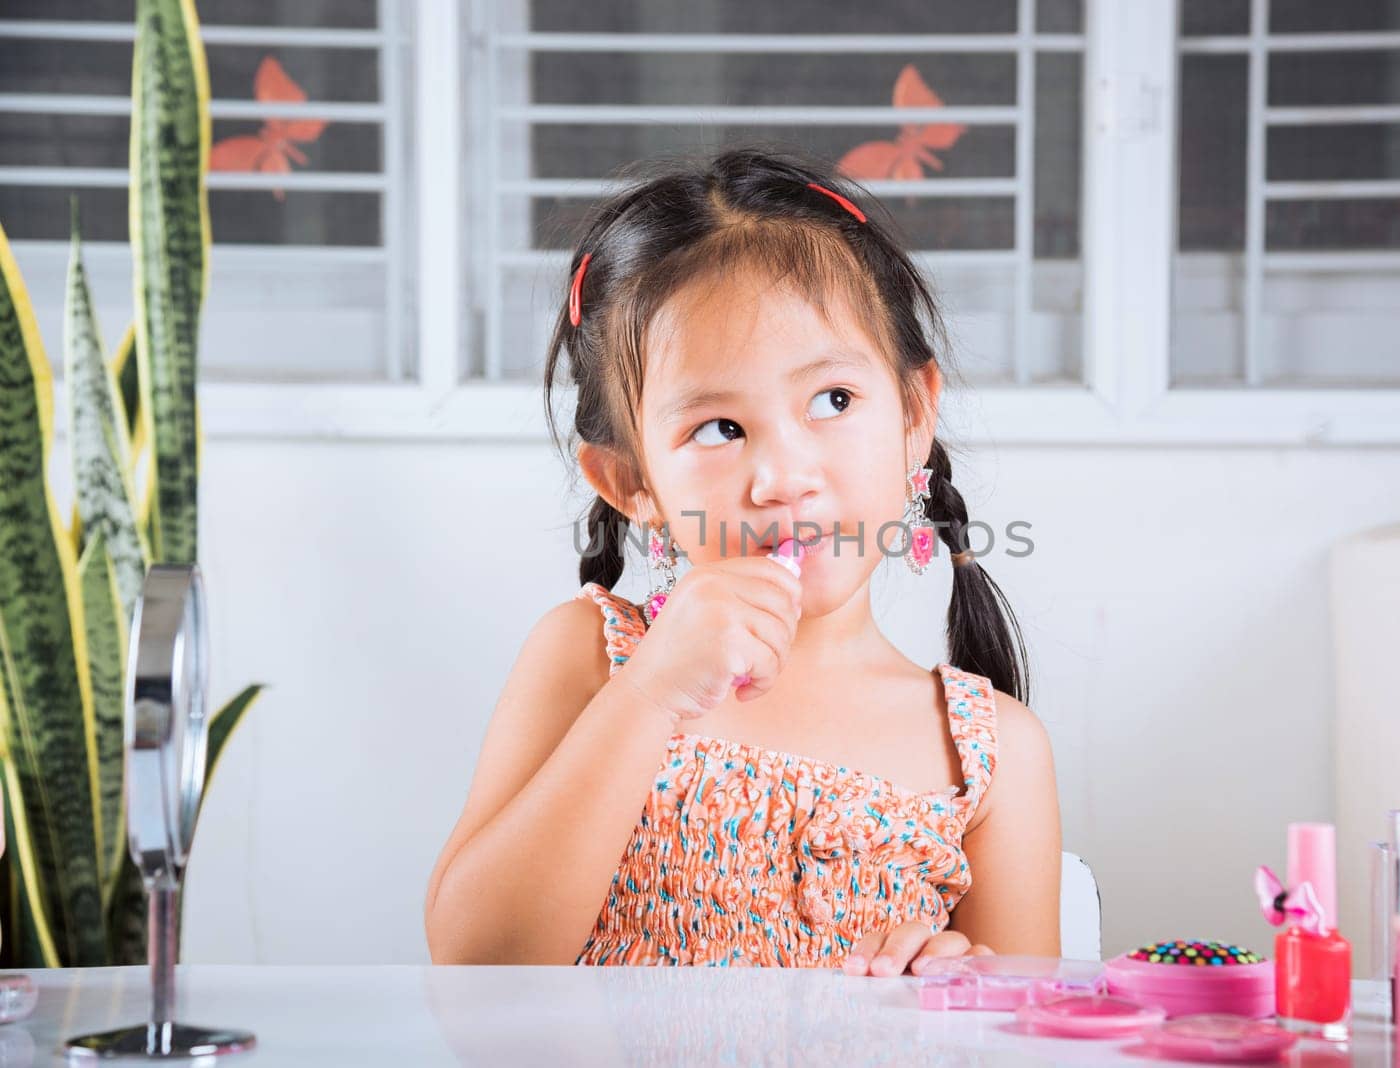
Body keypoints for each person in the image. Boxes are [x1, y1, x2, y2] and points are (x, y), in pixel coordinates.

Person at [425, 146, 1062, 974]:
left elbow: (1024, 1039)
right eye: (719, 428)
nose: (784, 479)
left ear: (913, 415)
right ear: (631, 481)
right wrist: (652, 691)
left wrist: (950, 992)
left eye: (833, 401)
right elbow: (476, 965)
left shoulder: (990, 753)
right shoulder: (589, 661)